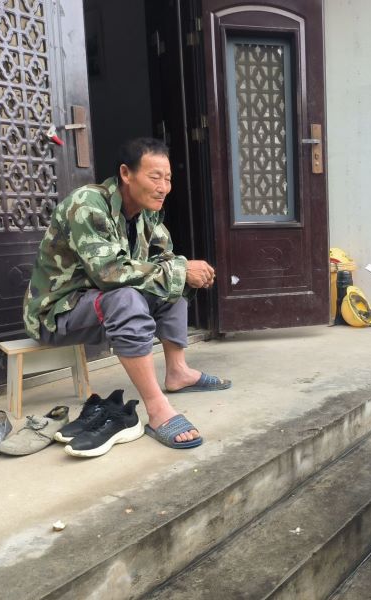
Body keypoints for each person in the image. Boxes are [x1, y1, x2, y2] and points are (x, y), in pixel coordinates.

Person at [23, 137, 231, 449]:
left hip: (97, 303)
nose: (163, 187)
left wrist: (188, 270)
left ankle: (178, 371)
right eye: (155, 177)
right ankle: (157, 408)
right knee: (129, 296)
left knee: (172, 280)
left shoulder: (148, 213)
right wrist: (179, 270)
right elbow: (109, 273)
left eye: (168, 178)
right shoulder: (87, 204)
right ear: (125, 173)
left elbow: (165, 260)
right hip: (56, 314)